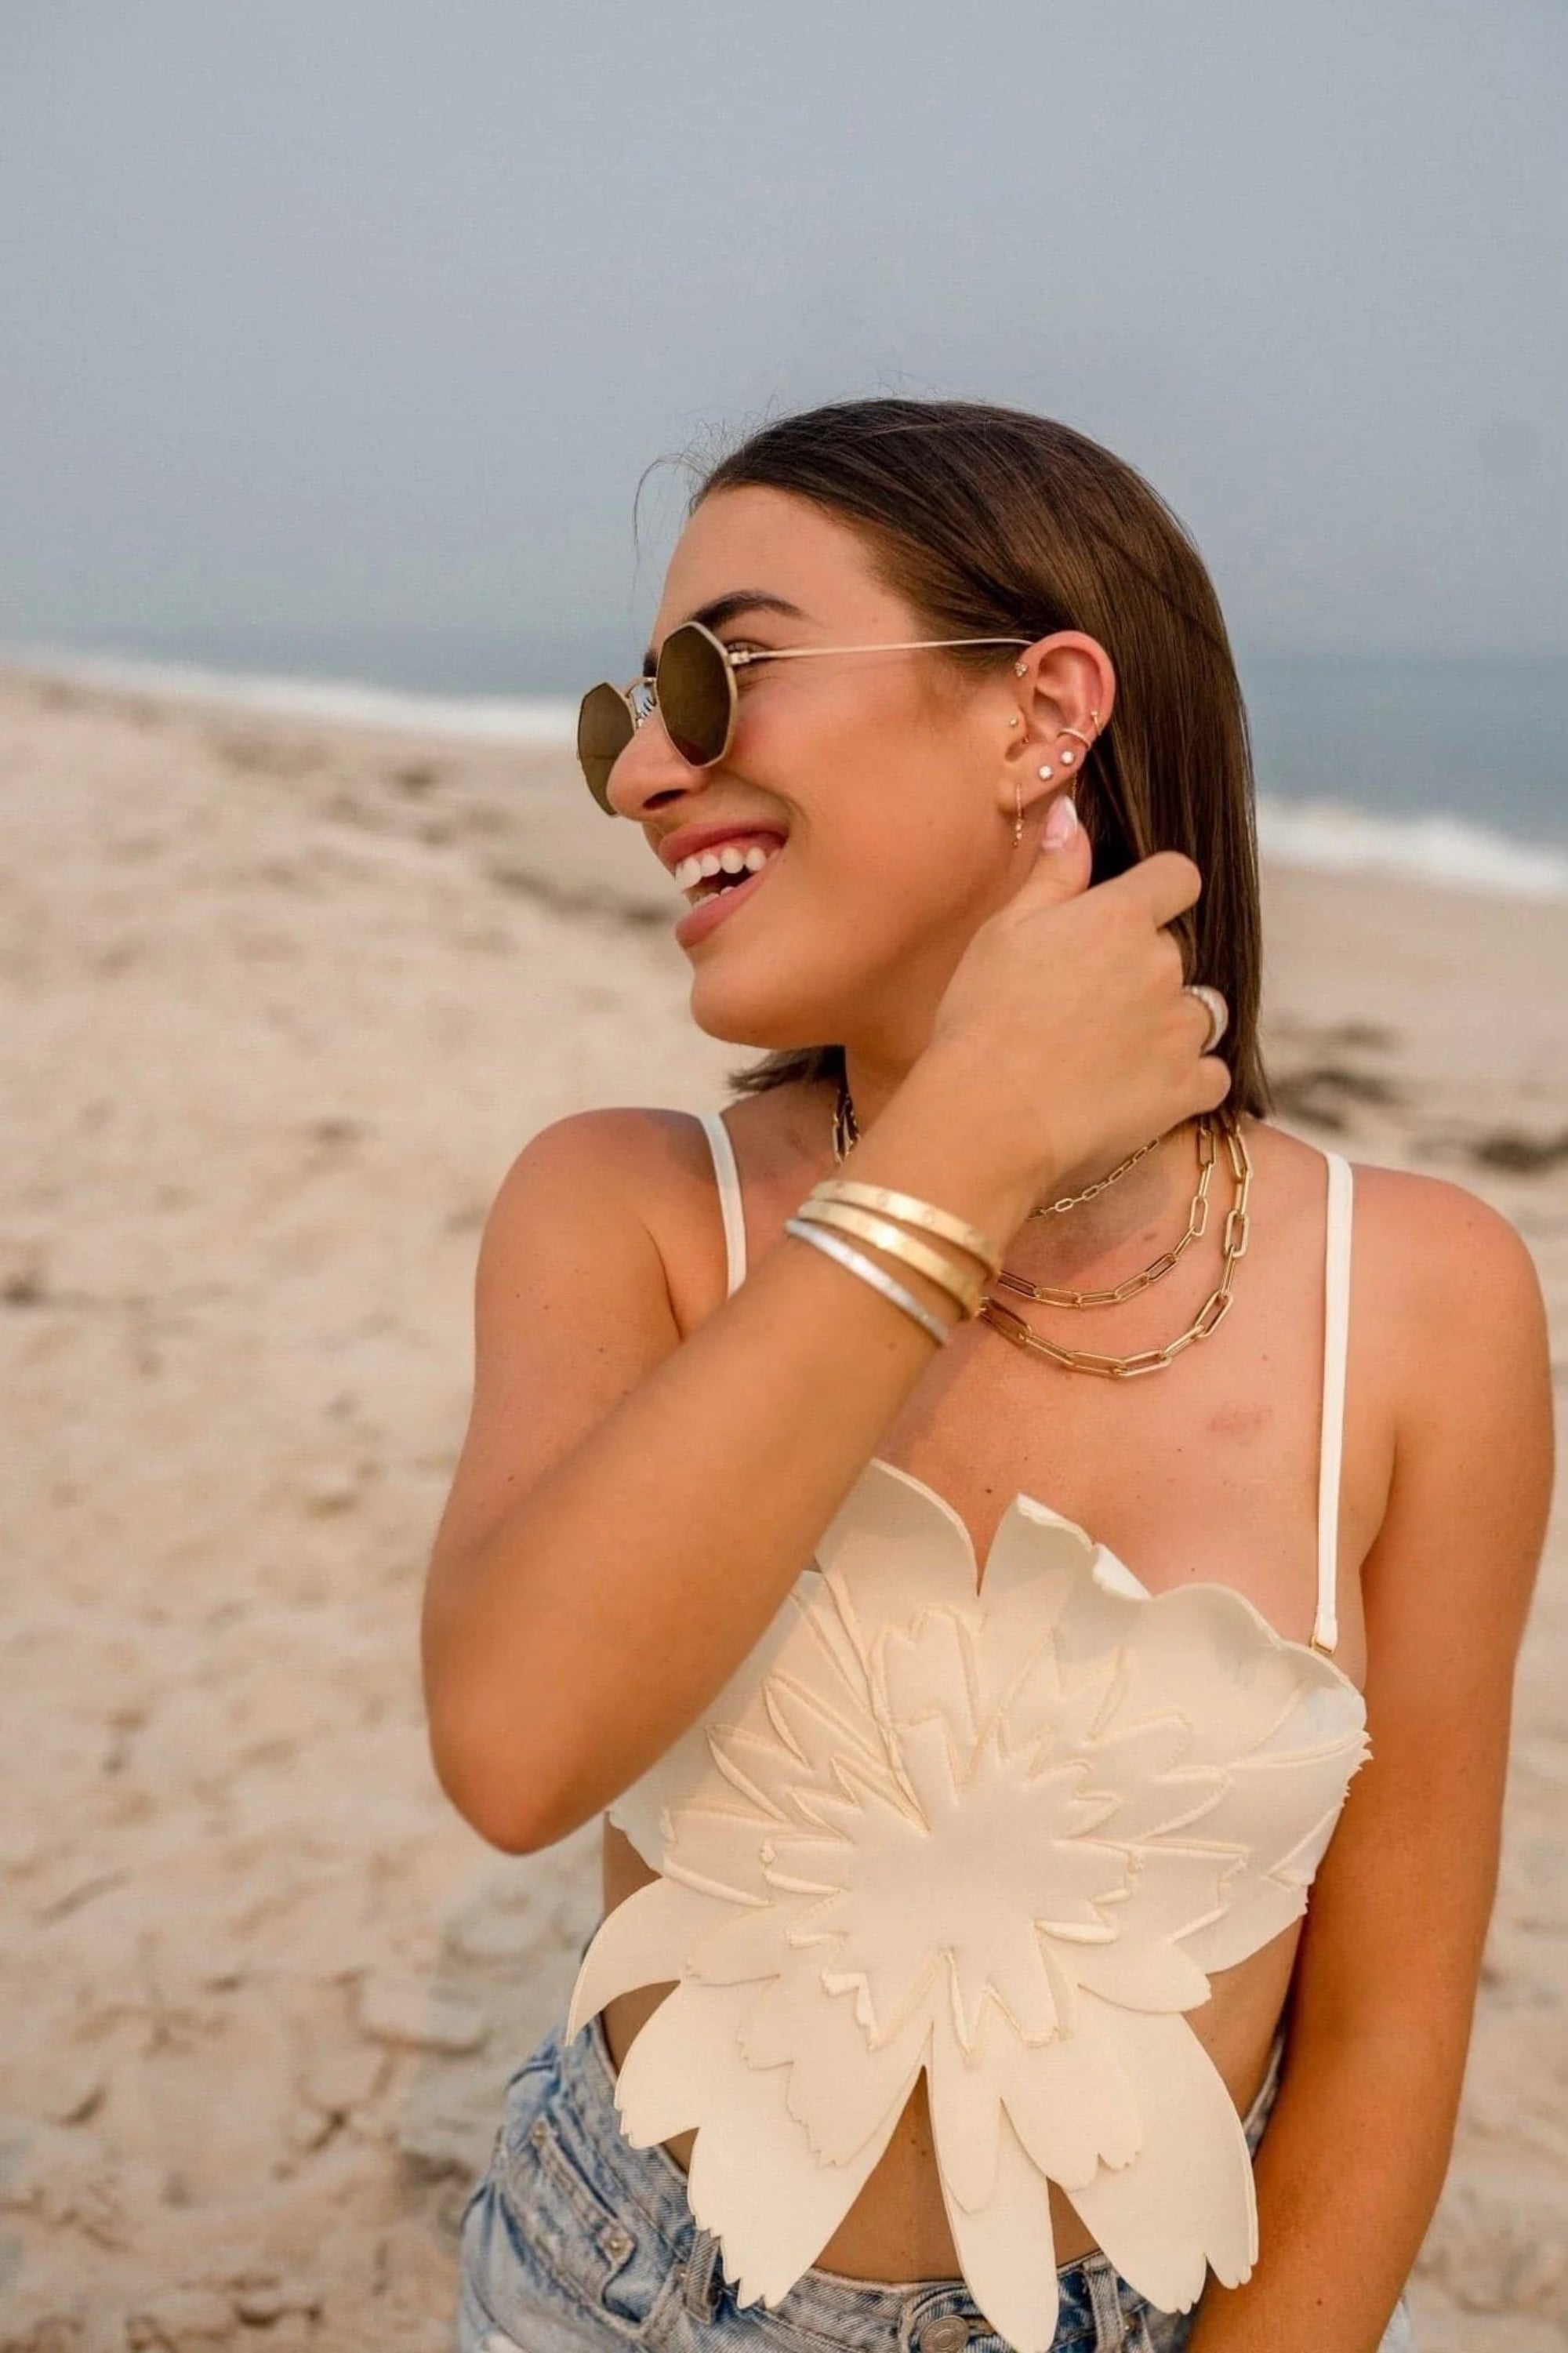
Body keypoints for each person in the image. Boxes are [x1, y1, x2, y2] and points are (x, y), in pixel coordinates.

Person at [422, 398, 1553, 2353]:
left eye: (721, 675)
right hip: (615, 2290)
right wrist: (963, 1150)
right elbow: (517, 1751)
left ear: (1044, 711)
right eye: (628, 714)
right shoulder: (630, 1211)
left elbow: (1385, 2029)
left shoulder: (1425, 1298)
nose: (645, 774)